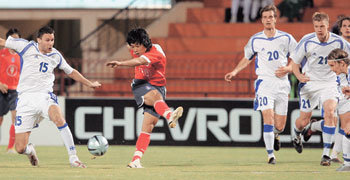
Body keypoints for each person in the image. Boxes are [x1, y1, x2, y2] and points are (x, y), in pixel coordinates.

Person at [0, 26, 101, 167]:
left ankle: (73, 158)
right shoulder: (26, 46)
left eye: (52, 40)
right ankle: (30, 150)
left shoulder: (56, 55)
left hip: (44, 96)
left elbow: (71, 72)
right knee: (20, 148)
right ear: (39, 40)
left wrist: (89, 83)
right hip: (25, 100)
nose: (50, 43)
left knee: (58, 118)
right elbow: (3, 42)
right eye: (47, 40)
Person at [224, 5, 297, 164]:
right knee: (268, 117)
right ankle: (271, 155)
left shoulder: (286, 38)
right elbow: (247, 58)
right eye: (265, 17)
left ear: (275, 19)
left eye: (270, 17)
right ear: (262, 20)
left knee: (280, 125)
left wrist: (288, 68)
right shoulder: (256, 39)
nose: (267, 20)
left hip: (282, 84)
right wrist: (235, 72)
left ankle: (276, 135)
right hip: (264, 83)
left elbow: (298, 58)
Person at [106, 28, 183, 168]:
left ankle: (136, 160)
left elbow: (140, 61)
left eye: (137, 46)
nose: (134, 49)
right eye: (132, 46)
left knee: (149, 126)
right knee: (154, 95)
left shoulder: (155, 53)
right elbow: (136, 54)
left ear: (145, 43)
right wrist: (125, 56)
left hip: (159, 88)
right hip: (141, 85)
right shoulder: (138, 49)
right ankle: (170, 114)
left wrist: (121, 63)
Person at [290, 12, 350, 166]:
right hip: (309, 83)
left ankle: (326, 155)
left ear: (327, 25)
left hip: (330, 83)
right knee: (303, 120)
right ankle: (297, 134)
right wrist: (299, 76)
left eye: (322, 26)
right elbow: (295, 63)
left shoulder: (340, 42)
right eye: (316, 27)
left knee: (330, 113)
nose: (319, 30)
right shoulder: (307, 41)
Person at [326, 48, 350, 171]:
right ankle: (347, 163)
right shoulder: (343, 76)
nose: (331, 69)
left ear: (341, 63)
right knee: (347, 129)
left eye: (332, 65)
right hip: (345, 104)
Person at [0, 28, 21, 153]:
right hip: (1, 90)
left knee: (15, 117)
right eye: (13, 40)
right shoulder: (1, 54)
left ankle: (10, 147)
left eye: (17, 40)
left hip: (15, 91)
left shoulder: (22, 56)